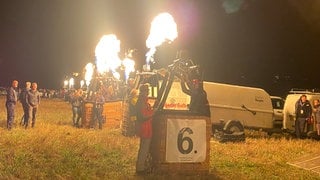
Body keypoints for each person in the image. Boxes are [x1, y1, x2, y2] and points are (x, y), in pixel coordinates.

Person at [135, 84, 155, 175]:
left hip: (145, 127)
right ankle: (140, 169)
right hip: (145, 127)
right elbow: (142, 117)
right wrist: (152, 114)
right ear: (143, 91)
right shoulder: (141, 102)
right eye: (147, 90)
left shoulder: (142, 101)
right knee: (144, 148)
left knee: (143, 148)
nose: (148, 92)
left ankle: (141, 166)